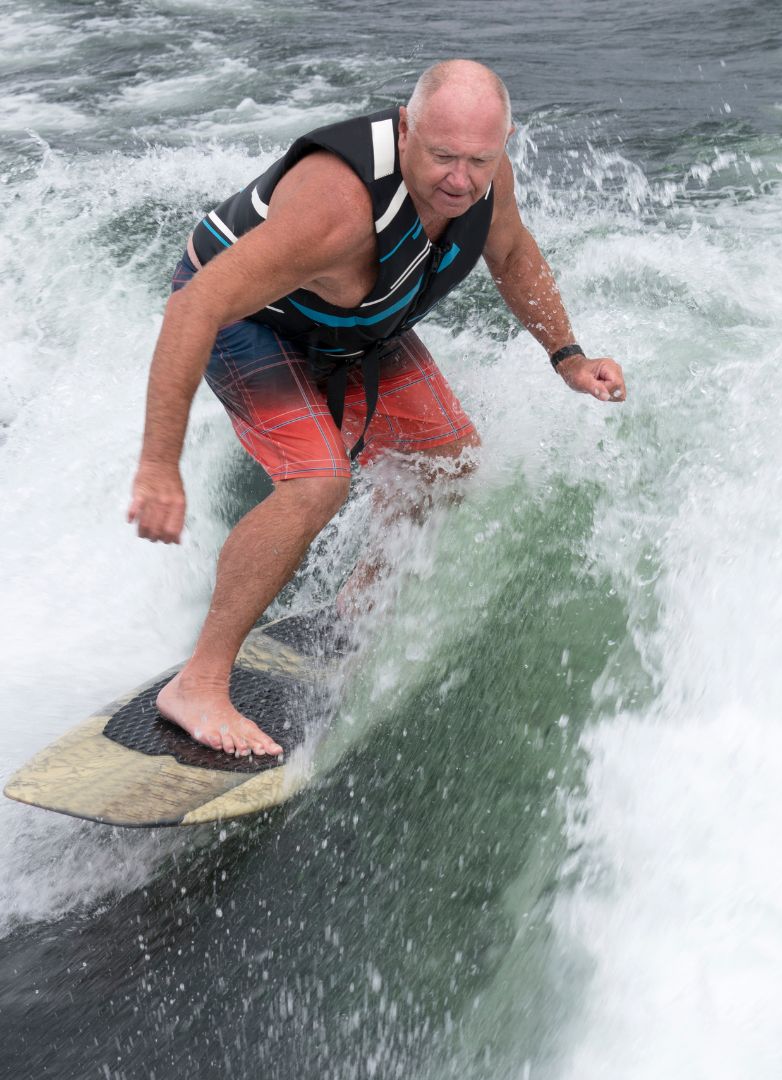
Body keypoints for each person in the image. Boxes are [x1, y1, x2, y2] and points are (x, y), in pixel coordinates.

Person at [127, 59, 627, 758]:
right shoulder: (336, 206)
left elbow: (512, 257)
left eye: (479, 159)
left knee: (449, 462)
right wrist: (159, 464)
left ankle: (353, 613)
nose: (460, 178)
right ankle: (198, 683)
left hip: (357, 323)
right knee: (317, 482)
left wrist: (568, 356)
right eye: (443, 156)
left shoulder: (486, 178)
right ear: (406, 127)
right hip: (251, 321)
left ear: (503, 142)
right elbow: (196, 305)